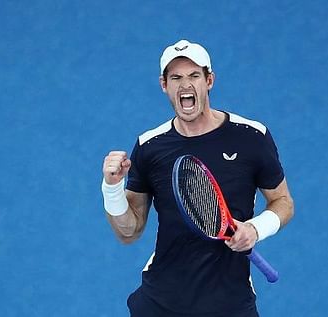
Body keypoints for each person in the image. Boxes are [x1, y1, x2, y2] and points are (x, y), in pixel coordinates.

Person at [101, 39, 294, 317]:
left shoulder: (252, 136)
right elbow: (128, 232)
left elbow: (283, 201)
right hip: (159, 304)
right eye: (176, 77)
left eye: (194, 76)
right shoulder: (149, 146)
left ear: (209, 80)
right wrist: (112, 188)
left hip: (230, 303)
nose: (185, 84)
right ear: (164, 85)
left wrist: (255, 229)